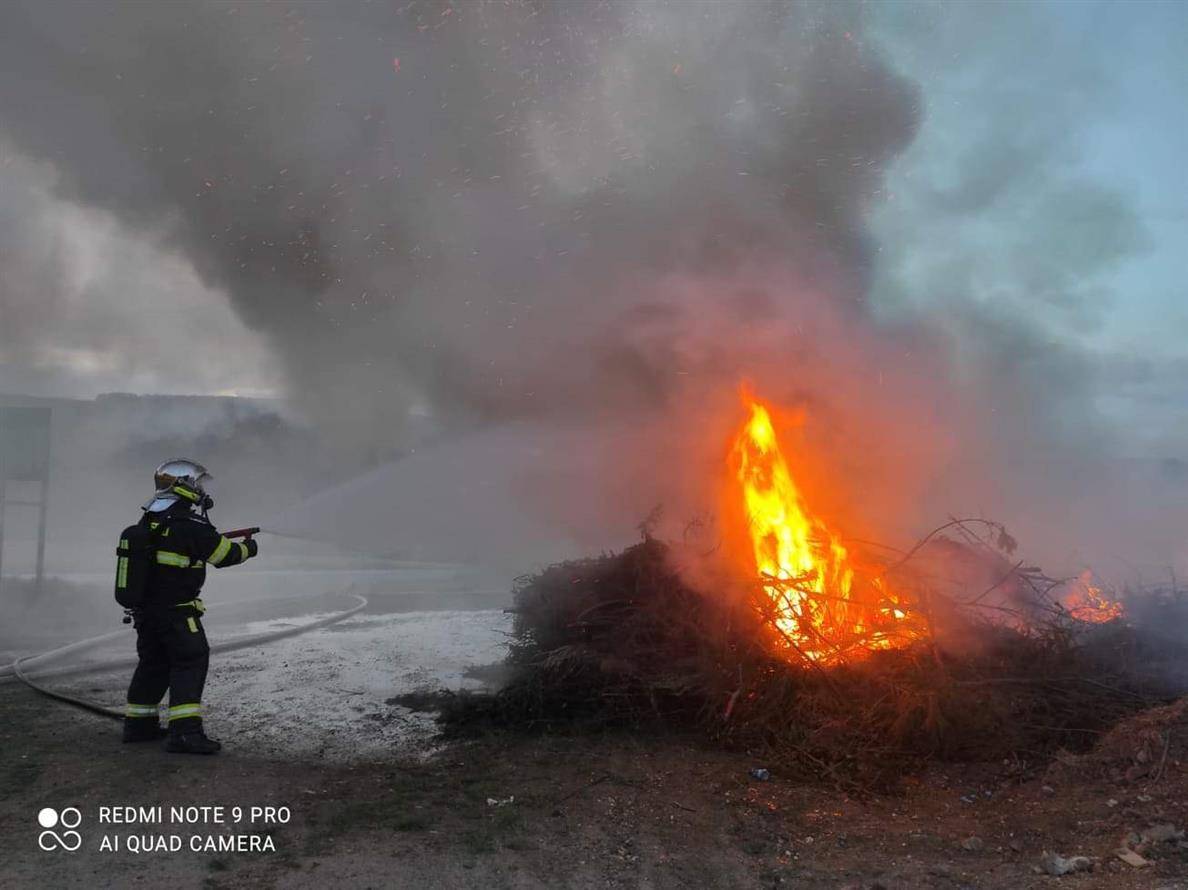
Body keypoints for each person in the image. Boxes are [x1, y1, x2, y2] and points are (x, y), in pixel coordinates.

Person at [122, 460, 258, 754]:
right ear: (184, 485)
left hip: (146, 613)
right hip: (178, 612)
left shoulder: (150, 520)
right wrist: (249, 548)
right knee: (191, 660)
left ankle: (138, 725)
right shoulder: (189, 524)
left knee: (153, 664)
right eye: (198, 483)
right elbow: (224, 555)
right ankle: (184, 733)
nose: (201, 489)